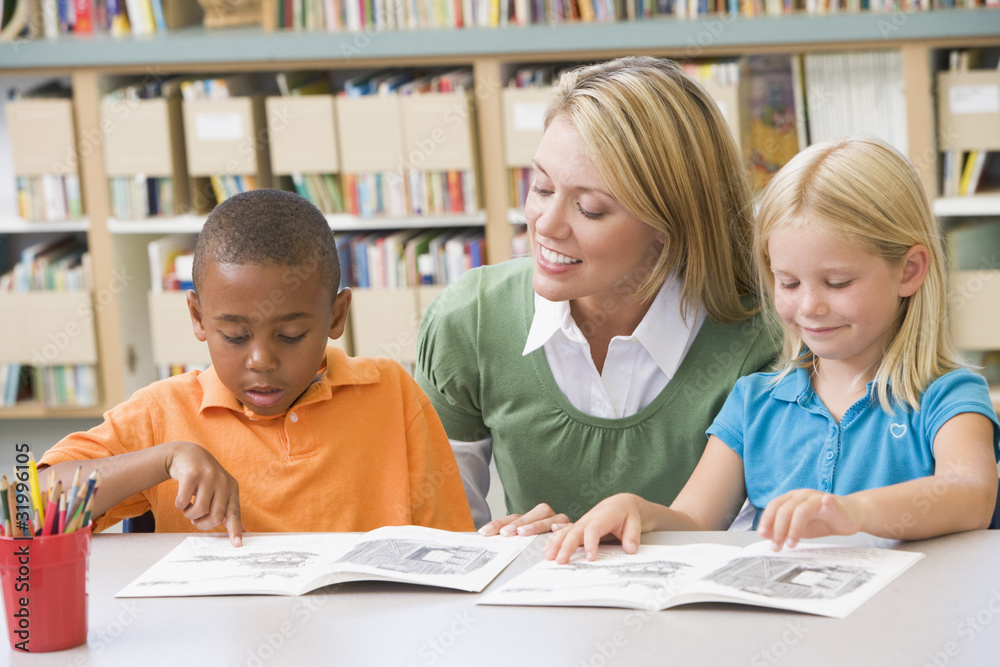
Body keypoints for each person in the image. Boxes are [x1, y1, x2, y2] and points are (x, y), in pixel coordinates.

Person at [545, 136, 1000, 563]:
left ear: (910, 270)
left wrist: (853, 513)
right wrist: (636, 511)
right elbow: (695, 522)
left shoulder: (948, 395)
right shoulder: (754, 401)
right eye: (788, 282)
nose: (809, 306)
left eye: (837, 282)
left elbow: (970, 493)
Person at [416, 56, 779, 535]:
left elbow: (759, 552)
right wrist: (505, 547)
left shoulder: (765, 341)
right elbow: (442, 535)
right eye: (541, 186)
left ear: (667, 228)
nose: (545, 224)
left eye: (589, 209)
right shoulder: (470, 321)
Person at [40, 189, 474, 546]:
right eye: (234, 336)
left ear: (337, 316)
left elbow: (451, 550)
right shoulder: (162, 414)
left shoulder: (391, 395)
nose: (261, 360)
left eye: (290, 336)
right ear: (197, 318)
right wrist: (166, 459)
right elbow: (24, 512)